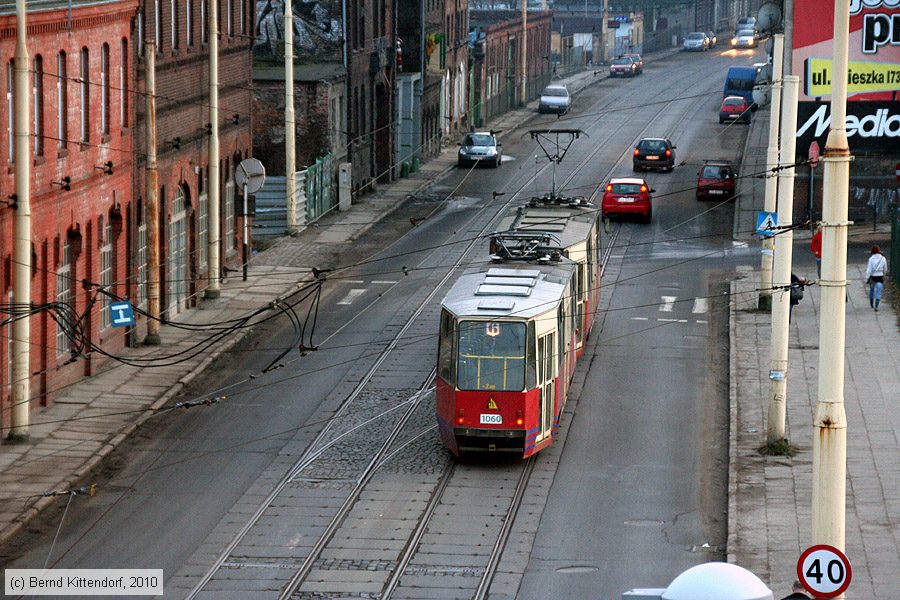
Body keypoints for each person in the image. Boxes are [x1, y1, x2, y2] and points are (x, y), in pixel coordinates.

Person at [865, 244, 887, 311]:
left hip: (873, 277)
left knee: (872, 290)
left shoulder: (871, 259)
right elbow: (885, 268)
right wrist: (884, 274)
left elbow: (869, 270)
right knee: (878, 290)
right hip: (880, 276)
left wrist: (867, 278)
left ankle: (871, 301)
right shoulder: (883, 258)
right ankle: (877, 305)